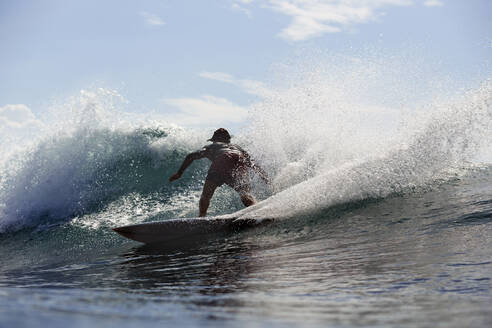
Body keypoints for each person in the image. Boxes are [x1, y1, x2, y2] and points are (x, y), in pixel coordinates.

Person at [169, 128, 270, 217]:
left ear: (215, 140)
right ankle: (258, 213)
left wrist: (179, 173)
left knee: (206, 196)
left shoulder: (212, 146)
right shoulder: (237, 147)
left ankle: (201, 217)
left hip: (223, 159)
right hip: (240, 159)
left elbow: (191, 156)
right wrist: (264, 177)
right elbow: (252, 163)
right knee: (245, 195)